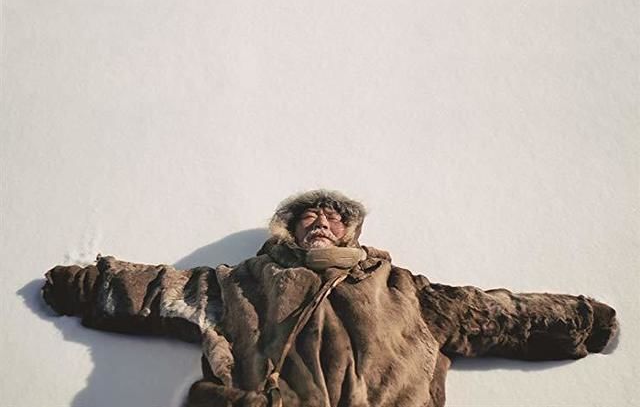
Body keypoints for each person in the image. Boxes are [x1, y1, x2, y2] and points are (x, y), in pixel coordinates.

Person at [42, 189, 617, 407]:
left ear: (351, 230)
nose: (321, 221)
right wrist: (84, 285)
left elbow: (491, 314)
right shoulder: (240, 283)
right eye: (308, 216)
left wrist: (579, 321)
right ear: (289, 228)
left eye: (334, 216)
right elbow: (158, 291)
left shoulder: (404, 290)